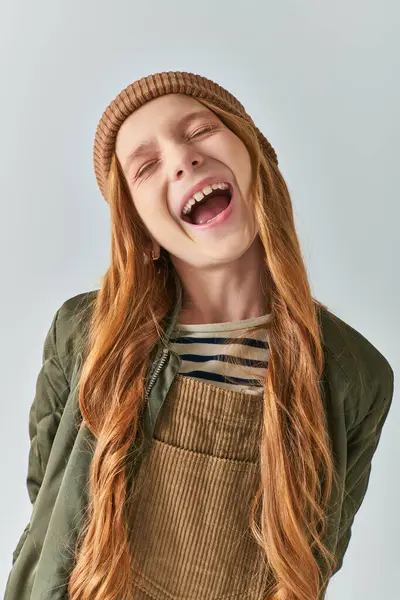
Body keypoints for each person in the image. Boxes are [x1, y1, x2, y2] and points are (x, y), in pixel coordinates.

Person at [4, 71, 394, 600]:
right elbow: (49, 501)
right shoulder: (83, 337)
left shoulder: (355, 375)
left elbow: (322, 550)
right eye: (146, 165)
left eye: (199, 131)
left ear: (257, 159)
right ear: (141, 234)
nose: (183, 159)